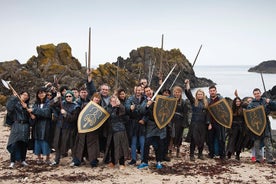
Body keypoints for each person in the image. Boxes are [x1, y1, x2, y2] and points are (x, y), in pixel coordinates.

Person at [137, 86, 166, 169]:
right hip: (150, 124)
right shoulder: (145, 101)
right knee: (146, 144)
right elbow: (141, 110)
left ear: (152, 90)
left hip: (160, 125)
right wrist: (147, 105)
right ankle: (145, 162)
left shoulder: (159, 98)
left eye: (149, 90)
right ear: (145, 93)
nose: (148, 92)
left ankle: (159, 162)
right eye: (146, 91)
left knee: (159, 145)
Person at [50, 90, 81, 165]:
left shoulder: (76, 106)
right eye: (66, 96)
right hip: (59, 126)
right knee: (57, 144)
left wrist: (66, 114)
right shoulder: (62, 103)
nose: (68, 98)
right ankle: (56, 160)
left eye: (70, 96)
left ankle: (75, 161)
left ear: (72, 97)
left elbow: (74, 118)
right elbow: (51, 104)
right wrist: (57, 98)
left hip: (69, 128)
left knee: (72, 145)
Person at [71, 92, 102, 167]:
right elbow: (81, 116)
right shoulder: (86, 105)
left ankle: (93, 162)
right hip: (83, 128)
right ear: (93, 97)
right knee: (80, 145)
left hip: (92, 130)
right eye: (95, 97)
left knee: (92, 147)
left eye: (98, 98)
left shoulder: (100, 109)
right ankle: (77, 161)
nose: (97, 99)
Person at [247, 88, 276, 164]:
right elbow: (249, 114)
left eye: (258, 93)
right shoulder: (251, 104)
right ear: (254, 95)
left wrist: (270, 102)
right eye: (255, 94)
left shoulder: (265, 101)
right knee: (257, 142)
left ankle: (270, 159)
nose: (257, 95)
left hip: (265, 123)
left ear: (260, 93)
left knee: (267, 142)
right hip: (256, 126)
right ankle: (258, 159)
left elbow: (274, 107)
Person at [6, 91, 33, 168]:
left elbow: (30, 117)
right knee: (14, 143)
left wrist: (26, 109)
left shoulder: (28, 106)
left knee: (24, 144)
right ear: (20, 95)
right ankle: (12, 161)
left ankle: (23, 160)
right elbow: (9, 108)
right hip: (16, 125)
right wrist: (13, 98)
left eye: (27, 95)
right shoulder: (15, 103)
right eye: (24, 94)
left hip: (25, 126)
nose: (25, 96)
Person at [184, 79, 209, 161]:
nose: (200, 95)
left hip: (203, 124)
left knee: (202, 139)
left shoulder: (206, 103)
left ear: (203, 95)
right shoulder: (194, 101)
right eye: (198, 94)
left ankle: (200, 154)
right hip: (194, 123)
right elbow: (188, 93)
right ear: (196, 95)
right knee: (193, 140)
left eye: (201, 94)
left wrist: (208, 123)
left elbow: (208, 114)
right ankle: (191, 155)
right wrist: (187, 84)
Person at [103, 95, 129, 169]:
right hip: (111, 131)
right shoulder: (108, 108)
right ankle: (113, 162)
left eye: (115, 100)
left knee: (120, 147)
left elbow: (123, 111)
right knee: (112, 147)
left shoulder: (120, 108)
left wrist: (119, 105)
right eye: (112, 100)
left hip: (119, 130)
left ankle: (122, 163)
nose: (113, 102)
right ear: (110, 101)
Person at [29, 87, 52, 164]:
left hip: (46, 124)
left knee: (46, 140)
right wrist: (32, 115)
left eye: (42, 93)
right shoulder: (36, 103)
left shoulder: (49, 102)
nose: (41, 94)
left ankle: (48, 157)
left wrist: (34, 111)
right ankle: (39, 157)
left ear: (45, 93)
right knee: (37, 140)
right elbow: (33, 112)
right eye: (39, 93)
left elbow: (47, 112)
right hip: (37, 124)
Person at [125, 85, 146, 165]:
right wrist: (130, 108)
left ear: (142, 90)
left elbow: (148, 111)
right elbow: (126, 107)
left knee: (142, 142)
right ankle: (133, 159)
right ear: (135, 90)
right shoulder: (130, 99)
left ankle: (143, 159)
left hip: (141, 123)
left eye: (140, 90)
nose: (138, 92)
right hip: (133, 123)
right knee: (133, 143)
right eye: (137, 90)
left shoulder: (145, 99)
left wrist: (144, 119)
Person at [169, 85, 189, 157]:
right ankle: (170, 151)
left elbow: (185, 113)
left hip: (180, 121)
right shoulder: (171, 100)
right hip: (172, 120)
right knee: (171, 136)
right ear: (173, 92)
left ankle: (178, 151)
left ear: (180, 93)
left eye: (178, 92)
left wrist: (184, 123)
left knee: (179, 137)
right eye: (175, 92)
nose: (176, 93)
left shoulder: (183, 102)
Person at [207, 85, 226, 160]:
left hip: (220, 123)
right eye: (211, 91)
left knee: (221, 139)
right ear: (209, 92)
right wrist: (209, 123)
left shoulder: (220, 99)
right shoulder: (208, 101)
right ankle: (211, 153)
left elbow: (225, 111)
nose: (212, 92)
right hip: (211, 123)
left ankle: (222, 154)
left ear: (216, 91)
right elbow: (207, 113)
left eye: (213, 91)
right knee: (210, 139)